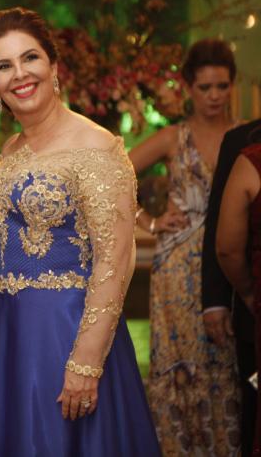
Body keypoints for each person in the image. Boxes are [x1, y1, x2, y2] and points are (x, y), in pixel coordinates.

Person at [0, 7, 159, 456]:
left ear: (53, 66)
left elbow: (115, 260)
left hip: (66, 333)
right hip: (8, 332)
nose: (20, 74)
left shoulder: (95, 146)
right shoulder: (10, 150)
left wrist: (87, 361)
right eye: (4, 66)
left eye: (30, 58)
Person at [129, 38, 241, 455]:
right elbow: (111, 175)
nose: (214, 96)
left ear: (232, 86)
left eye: (222, 86)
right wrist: (150, 221)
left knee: (230, 361)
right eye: (204, 87)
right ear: (189, 88)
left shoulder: (245, 135)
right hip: (178, 268)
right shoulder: (173, 138)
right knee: (181, 367)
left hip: (230, 262)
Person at [204, 118, 261, 457]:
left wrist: (250, 292)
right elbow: (218, 229)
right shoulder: (242, 142)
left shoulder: (252, 159)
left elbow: (227, 248)